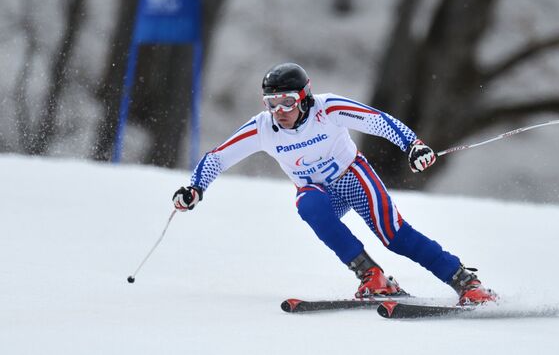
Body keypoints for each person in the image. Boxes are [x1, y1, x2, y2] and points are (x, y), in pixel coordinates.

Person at [173, 62, 496, 305]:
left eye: (286, 101)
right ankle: (372, 276)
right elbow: (219, 157)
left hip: (353, 176)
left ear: (303, 97)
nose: (279, 111)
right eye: (271, 103)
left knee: (394, 235)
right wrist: (195, 188)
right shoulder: (263, 128)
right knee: (307, 204)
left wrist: (413, 145)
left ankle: (464, 281)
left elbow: (377, 120)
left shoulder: (328, 109)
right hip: (320, 192)